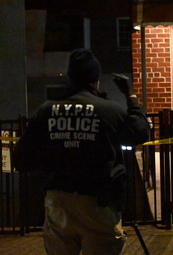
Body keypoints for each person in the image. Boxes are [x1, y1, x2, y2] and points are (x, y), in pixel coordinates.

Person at [13, 48, 150, 255]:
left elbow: (22, 159)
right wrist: (130, 96)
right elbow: (141, 132)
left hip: (58, 201)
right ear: (96, 80)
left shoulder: (46, 110)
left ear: (70, 78)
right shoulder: (108, 110)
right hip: (98, 201)